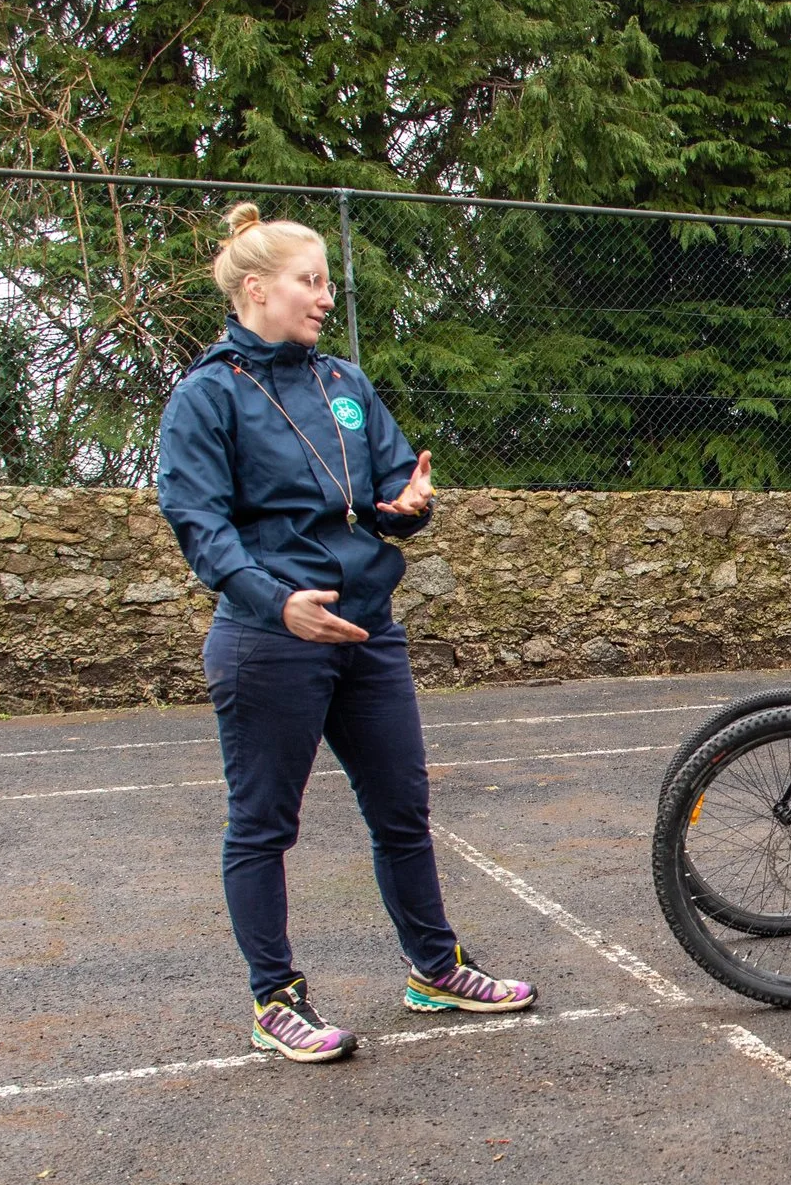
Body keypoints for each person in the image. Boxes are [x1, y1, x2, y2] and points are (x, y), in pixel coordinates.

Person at [158, 203, 536, 1064]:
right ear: (257, 289)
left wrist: (406, 504)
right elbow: (198, 522)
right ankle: (274, 998)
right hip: (272, 639)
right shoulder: (207, 394)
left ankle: (434, 970)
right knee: (263, 825)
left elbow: (388, 484)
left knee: (402, 810)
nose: (327, 296)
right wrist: (271, 600)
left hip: (366, 629)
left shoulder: (345, 385)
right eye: (311, 281)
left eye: (329, 281)